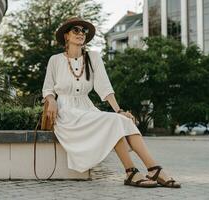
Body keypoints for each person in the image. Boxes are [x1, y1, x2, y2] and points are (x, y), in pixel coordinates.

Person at [42, 17, 181, 188]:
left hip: (86, 108)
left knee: (122, 120)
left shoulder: (93, 57)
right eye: (75, 30)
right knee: (113, 122)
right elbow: (48, 90)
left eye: (83, 31)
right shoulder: (55, 60)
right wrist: (52, 101)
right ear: (66, 36)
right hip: (67, 113)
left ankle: (153, 169)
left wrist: (119, 110)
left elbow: (104, 87)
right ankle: (131, 171)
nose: (80, 34)